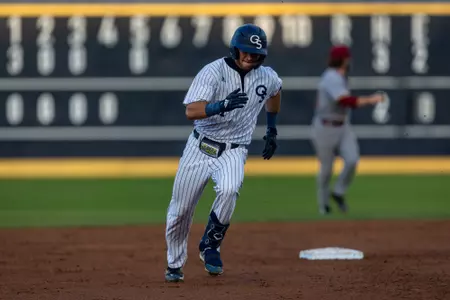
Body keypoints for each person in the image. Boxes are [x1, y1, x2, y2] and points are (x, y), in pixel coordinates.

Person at [164, 23, 282, 282]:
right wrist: (221, 105)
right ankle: (174, 263)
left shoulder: (267, 76)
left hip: (235, 149)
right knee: (180, 211)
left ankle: (210, 244)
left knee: (230, 189)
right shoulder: (213, 71)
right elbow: (191, 111)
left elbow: (275, 92)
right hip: (201, 146)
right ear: (235, 49)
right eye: (246, 51)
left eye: (256, 52)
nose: (251, 57)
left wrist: (271, 129)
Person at [310, 45, 386, 215]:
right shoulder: (331, 77)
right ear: (342, 59)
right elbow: (345, 101)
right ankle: (324, 206)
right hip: (325, 127)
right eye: (347, 58)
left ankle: (338, 192)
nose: (349, 60)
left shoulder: (341, 77)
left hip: (342, 126)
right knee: (327, 169)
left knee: (352, 159)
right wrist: (372, 99)